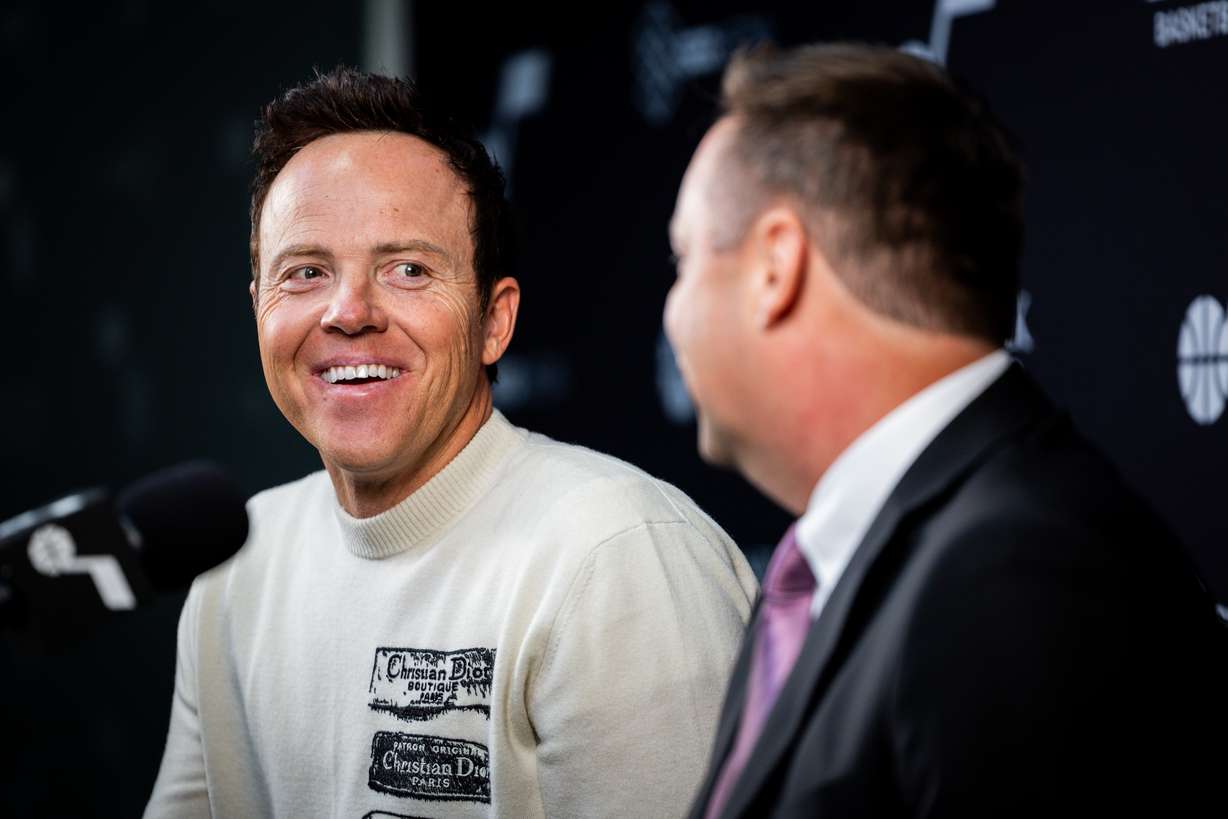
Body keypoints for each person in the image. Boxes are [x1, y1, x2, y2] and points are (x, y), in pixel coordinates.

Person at [145, 67, 758, 819]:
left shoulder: (616, 556)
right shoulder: (234, 563)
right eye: (305, 272)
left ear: (494, 321)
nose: (348, 311)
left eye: (406, 269)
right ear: (258, 311)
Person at [666, 43, 1226, 818]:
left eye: (686, 257)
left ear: (775, 265)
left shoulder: (1014, 573)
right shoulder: (856, 563)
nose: (672, 311)